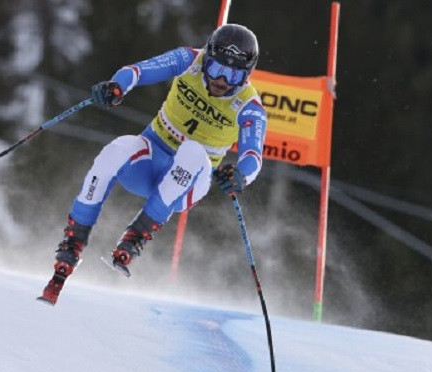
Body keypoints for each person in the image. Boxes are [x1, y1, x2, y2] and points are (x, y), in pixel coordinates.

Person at [40, 23, 268, 305]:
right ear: (206, 59)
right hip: (149, 163)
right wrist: (116, 87)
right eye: (217, 68)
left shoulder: (249, 105)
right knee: (118, 148)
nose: (221, 80)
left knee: (194, 152)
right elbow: (136, 71)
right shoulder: (189, 61)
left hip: (188, 183)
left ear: (246, 75)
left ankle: (135, 237)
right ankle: (73, 242)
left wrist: (240, 175)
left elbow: (253, 157)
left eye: (233, 74)